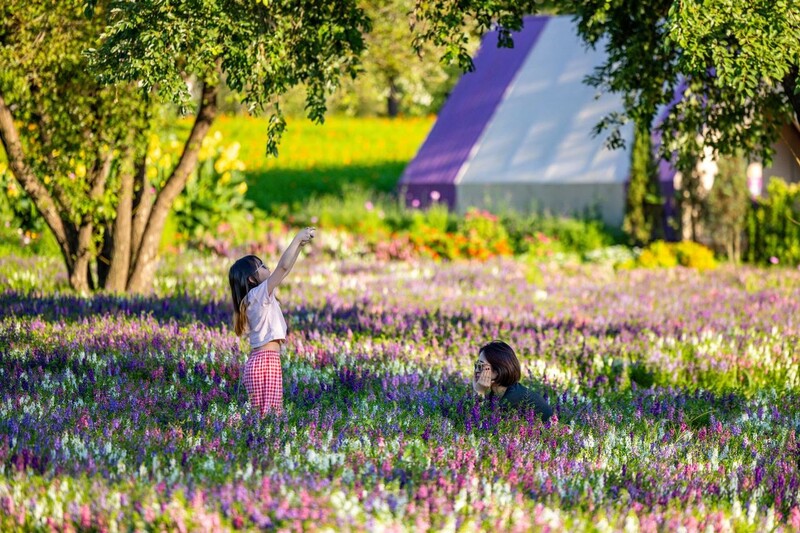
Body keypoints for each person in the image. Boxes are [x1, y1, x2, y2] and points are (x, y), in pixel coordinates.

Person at [228, 227, 315, 415]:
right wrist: (296, 238)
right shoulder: (259, 295)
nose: (268, 268)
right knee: (270, 416)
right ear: (252, 279)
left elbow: (285, 271)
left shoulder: (255, 296)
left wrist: (299, 246)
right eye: (263, 267)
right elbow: (282, 268)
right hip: (266, 362)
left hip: (262, 361)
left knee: (262, 416)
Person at [473, 340, 553, 422]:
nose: (476, 370)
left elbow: (481, 424)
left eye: (481, 366)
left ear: (498, 370)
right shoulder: (498, 392)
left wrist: (479, 391)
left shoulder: (513, 397)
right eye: (476, 365)